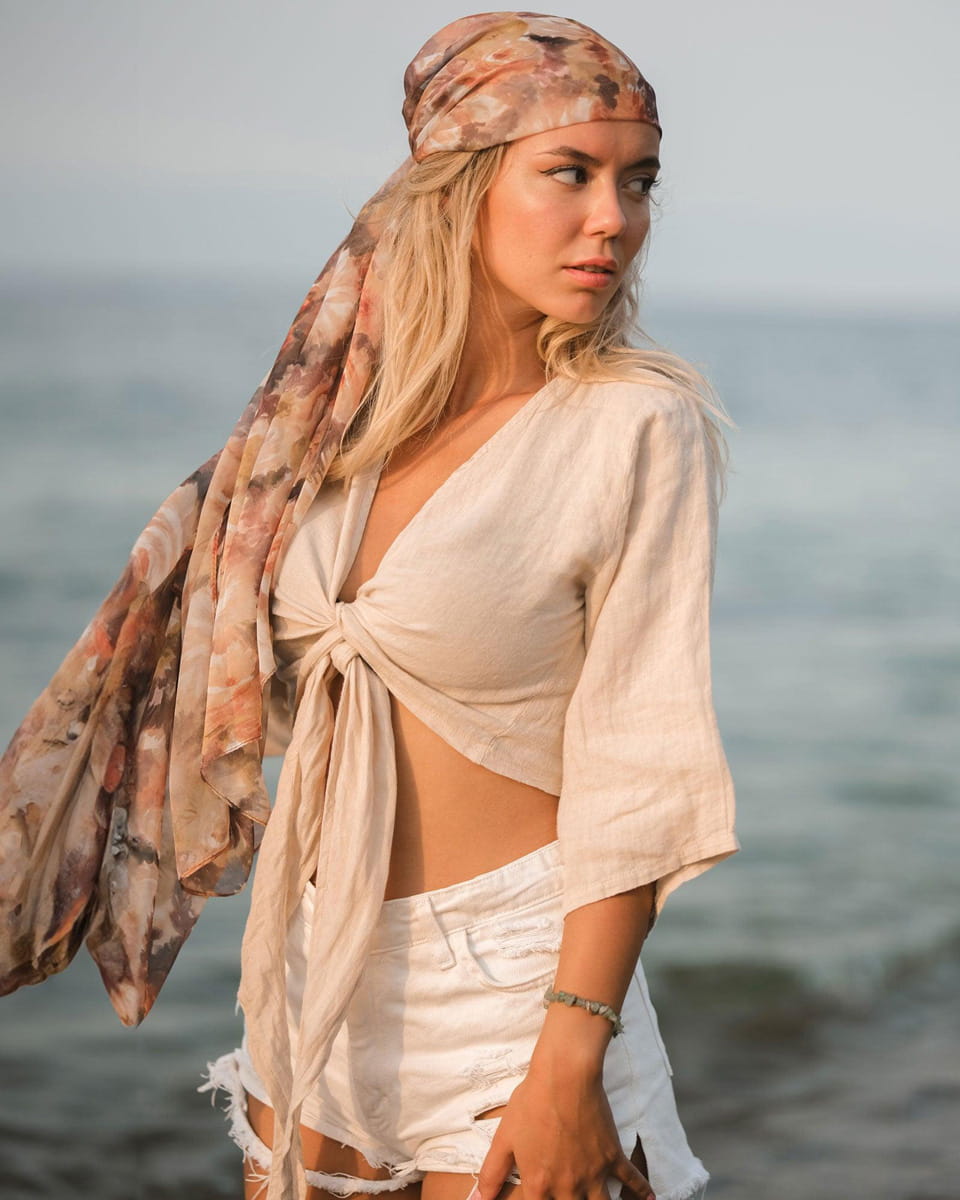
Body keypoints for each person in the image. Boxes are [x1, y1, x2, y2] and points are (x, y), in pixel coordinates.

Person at [0, 13, 737, 1200]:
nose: (616, 216)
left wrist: (570, 1055)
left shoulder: (632, 428)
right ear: (460, 186)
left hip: (519, 983)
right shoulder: (327, 427)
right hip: (313, 964)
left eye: (636, 181)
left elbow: (636, 769)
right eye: (571, 171)